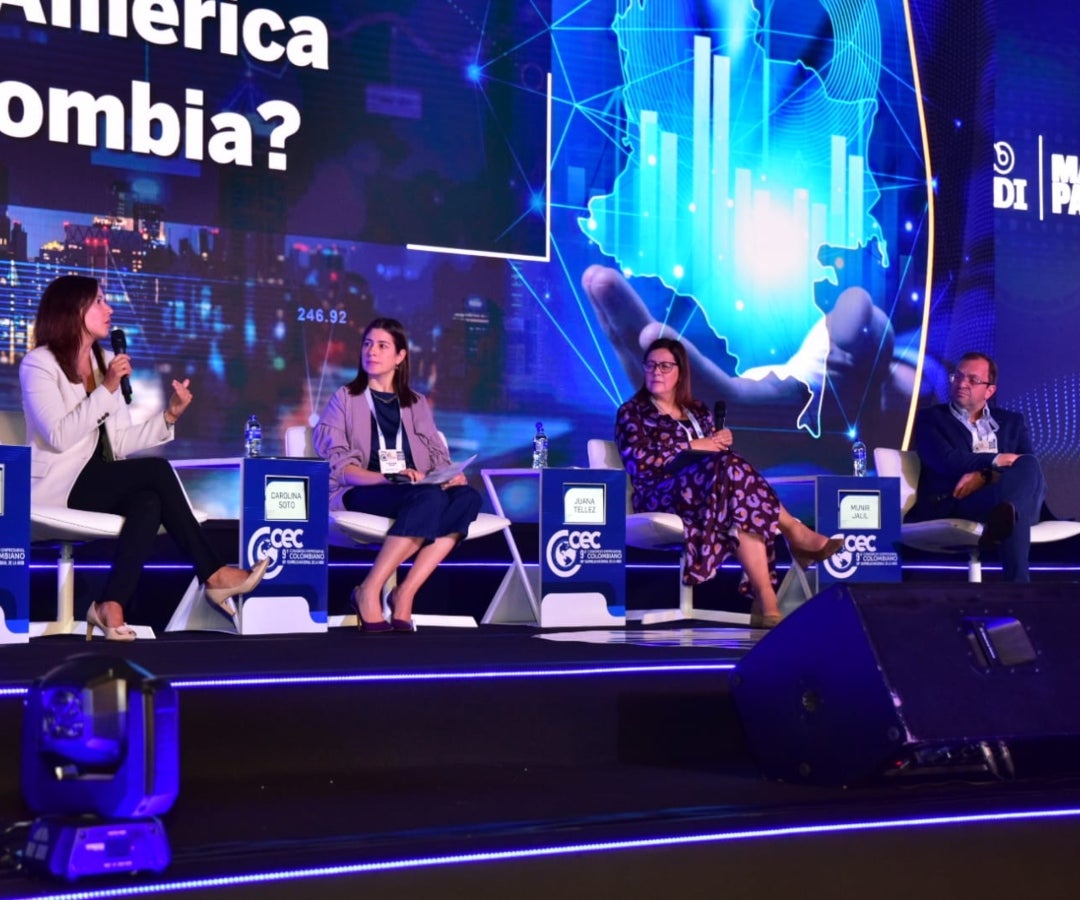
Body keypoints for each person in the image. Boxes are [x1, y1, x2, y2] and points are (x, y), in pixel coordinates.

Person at [19, 275, 268, 641]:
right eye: (100, 301)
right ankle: (214, 574)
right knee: (155, 472)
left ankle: (111, 603)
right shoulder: (39, 364)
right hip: (60, 486)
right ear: (73, 309)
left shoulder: (105, 361)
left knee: (149, 500)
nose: (110, 309)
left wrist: (169, 417)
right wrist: (106, 389)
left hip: (100, 479)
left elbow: (118, 442)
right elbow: (59, 436)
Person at [615, 337, 843, 629]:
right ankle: (794, 531)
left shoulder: (697, 412)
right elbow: (639, 462)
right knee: (733, 481)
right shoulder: (632, 413)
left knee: (739, 500)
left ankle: (767, 602)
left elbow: (715, 457)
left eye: (664, 366)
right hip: (661, 493)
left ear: (680, 372)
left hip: (711, 491)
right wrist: (692, 445)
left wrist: (719, 442)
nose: (656, 371)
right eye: (650, 365)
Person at [313, 317, 482, 632]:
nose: (371, 352)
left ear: (400, 356)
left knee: (467, 497)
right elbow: (340, 466)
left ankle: (405, 592)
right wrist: (386, 478)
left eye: (381, 346)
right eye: (367, 344)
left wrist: (449, 475)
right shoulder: (345, 399)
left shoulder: (416, 403)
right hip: (362, 488)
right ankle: (368, 590)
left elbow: (436, 455)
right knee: (428, 498)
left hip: (413, 490)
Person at [907, 351, 1047, 582]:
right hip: (959, 498)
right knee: (1014, 509)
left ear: (990, 390)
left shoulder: (1012, 422)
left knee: (1028, 467)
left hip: (1001, 494)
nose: (962, 383)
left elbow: (1024, 467)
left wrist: (982, 475)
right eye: (958, 376)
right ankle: (1019, 588)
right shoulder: (930, 418)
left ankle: (1004, 520)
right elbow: (946, 460)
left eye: (972, 379)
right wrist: (995, 460)